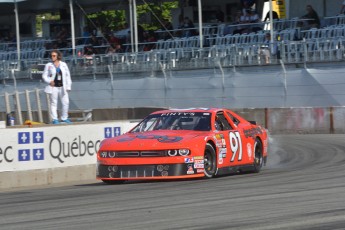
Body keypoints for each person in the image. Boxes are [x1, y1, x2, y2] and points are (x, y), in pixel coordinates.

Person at [42, 50, 72, 124]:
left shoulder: (64, 64)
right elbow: (44, 75)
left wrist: (69, 86)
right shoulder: (49, 65)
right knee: (54, 103)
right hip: (54, 87)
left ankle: (64, 118)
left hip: (62, 86)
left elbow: (68, 76)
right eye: (51, 56)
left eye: (54, 56)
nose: (52, 57)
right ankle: (55, 119)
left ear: (58, 56)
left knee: (66, 102)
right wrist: (49, 81)